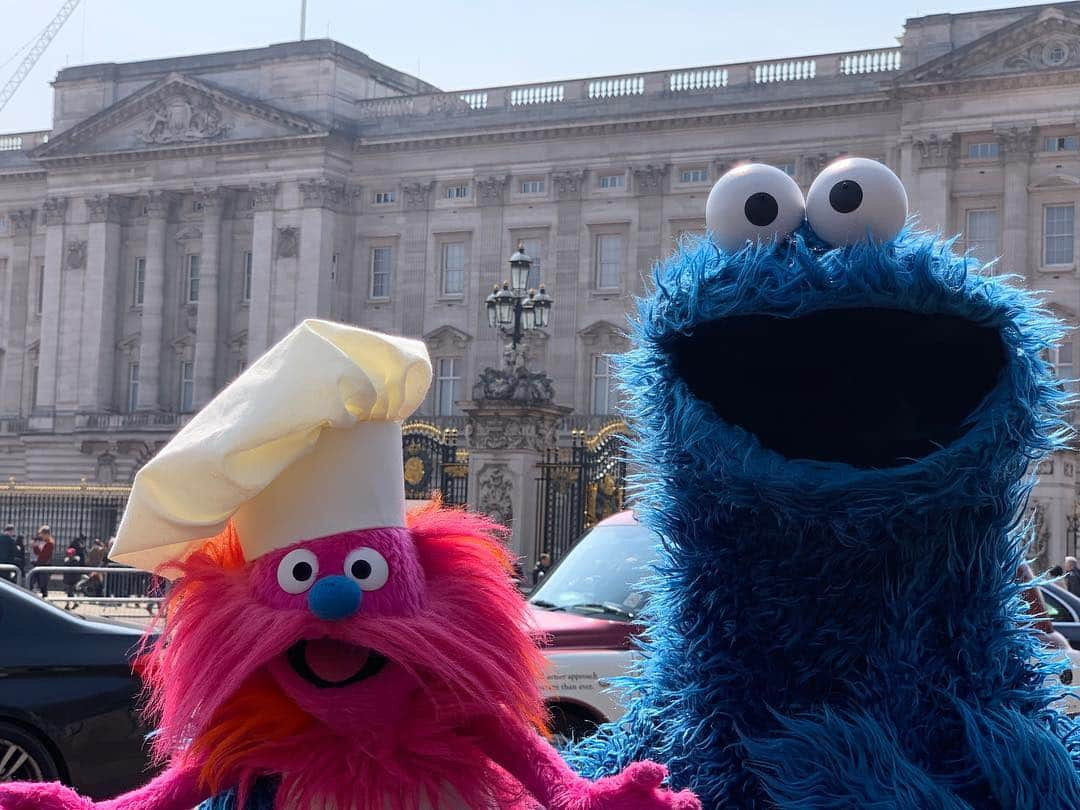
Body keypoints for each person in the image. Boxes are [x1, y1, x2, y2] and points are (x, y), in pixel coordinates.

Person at [31, 525, 55, 598]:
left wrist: (35, 546)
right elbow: (38, 553)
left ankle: (44, 598)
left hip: (44, 564)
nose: (41, 536)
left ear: (46, 534)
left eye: (42, 534)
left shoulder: (49, 543)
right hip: (39, 564)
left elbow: (43, 555)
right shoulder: (43, 541)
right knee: (33, 581)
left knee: (43, 584)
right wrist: (34, 546)